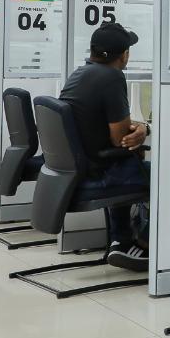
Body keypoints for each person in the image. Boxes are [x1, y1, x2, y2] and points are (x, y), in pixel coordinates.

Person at [59, 23, 150, 272]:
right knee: (168, 179)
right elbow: (120, 138)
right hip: (100, 170)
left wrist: (140, 128)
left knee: (126, 162)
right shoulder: (112, 77)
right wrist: (143, 131)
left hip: (81, 168)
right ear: (124, 55)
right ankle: (144, 243)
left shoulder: (81, 73)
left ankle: (121, 239)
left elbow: (107, 123)